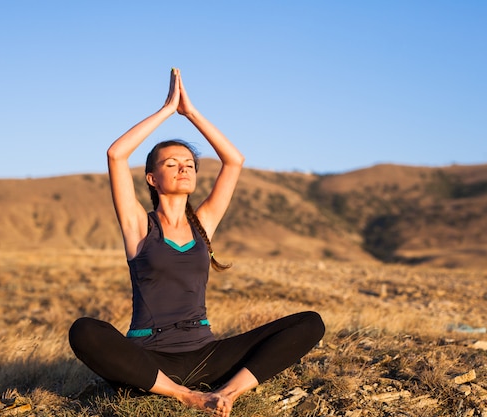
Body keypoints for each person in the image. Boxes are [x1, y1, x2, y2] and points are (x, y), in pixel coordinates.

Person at [68, 68, 325, 417]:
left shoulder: (201, 224)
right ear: (152, 178)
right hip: (150, 362)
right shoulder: (139, 226)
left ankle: (227, 394)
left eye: (189, 164)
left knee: (309, 323)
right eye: (171, 164)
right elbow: (116, 154)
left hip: (206, 356)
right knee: (84, 330)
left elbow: (234, 160)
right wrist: (166, 110)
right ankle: (185, 396)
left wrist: (191, 113)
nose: (183, 168)